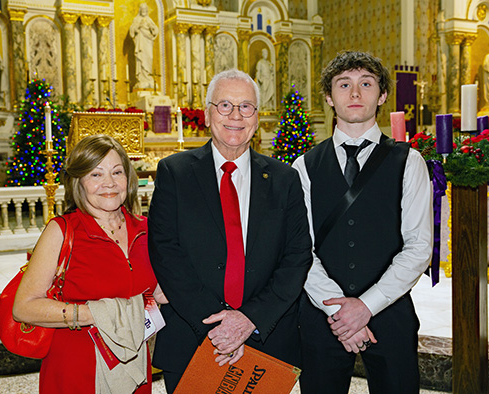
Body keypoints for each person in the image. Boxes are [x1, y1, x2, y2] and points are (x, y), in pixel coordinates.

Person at [148, 68, 312, 393]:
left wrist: (248, 320)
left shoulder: (284, 179)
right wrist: (218, 325)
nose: (235, 115)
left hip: (266, 336)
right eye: (224, 105)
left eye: (246, 107)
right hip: (193, 336)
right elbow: (166, 252)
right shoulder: (174, 173)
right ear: (208, 114)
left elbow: (297, 257)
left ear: (258, 117)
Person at [292, 51, 433, 393]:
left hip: (390, 311)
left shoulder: (409, 162)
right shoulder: (303, 166)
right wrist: (341, 313)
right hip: (322, 315)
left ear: (382, 95)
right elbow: (299, 250)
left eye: (366, 84)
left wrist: (366, 306)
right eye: (344, 85)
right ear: (329, 97)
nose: (355, 94)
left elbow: (419, 247)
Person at [13, 134, 166, 393]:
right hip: (77, 369)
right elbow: (24, 308)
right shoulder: (62, 231)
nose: (109, 183)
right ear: (79, 182)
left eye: (117, 172)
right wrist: (98, 314)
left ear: (128, 179)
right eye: (96, 175)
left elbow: (157, 292)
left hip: (133, 367)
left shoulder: (146, 230)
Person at [129, 3, 158, 90]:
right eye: (142, 9)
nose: (144, 11)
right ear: (140, 10)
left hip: (148, 42)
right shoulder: (136, 19)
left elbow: (156, 30)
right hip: (141, 41)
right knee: (141, 59)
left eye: (145, 9)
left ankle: (148, 77)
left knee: (150, 57)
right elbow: (132, 30)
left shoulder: (149, 20)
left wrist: (151, 27)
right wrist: (139, 26)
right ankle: (142, 78)